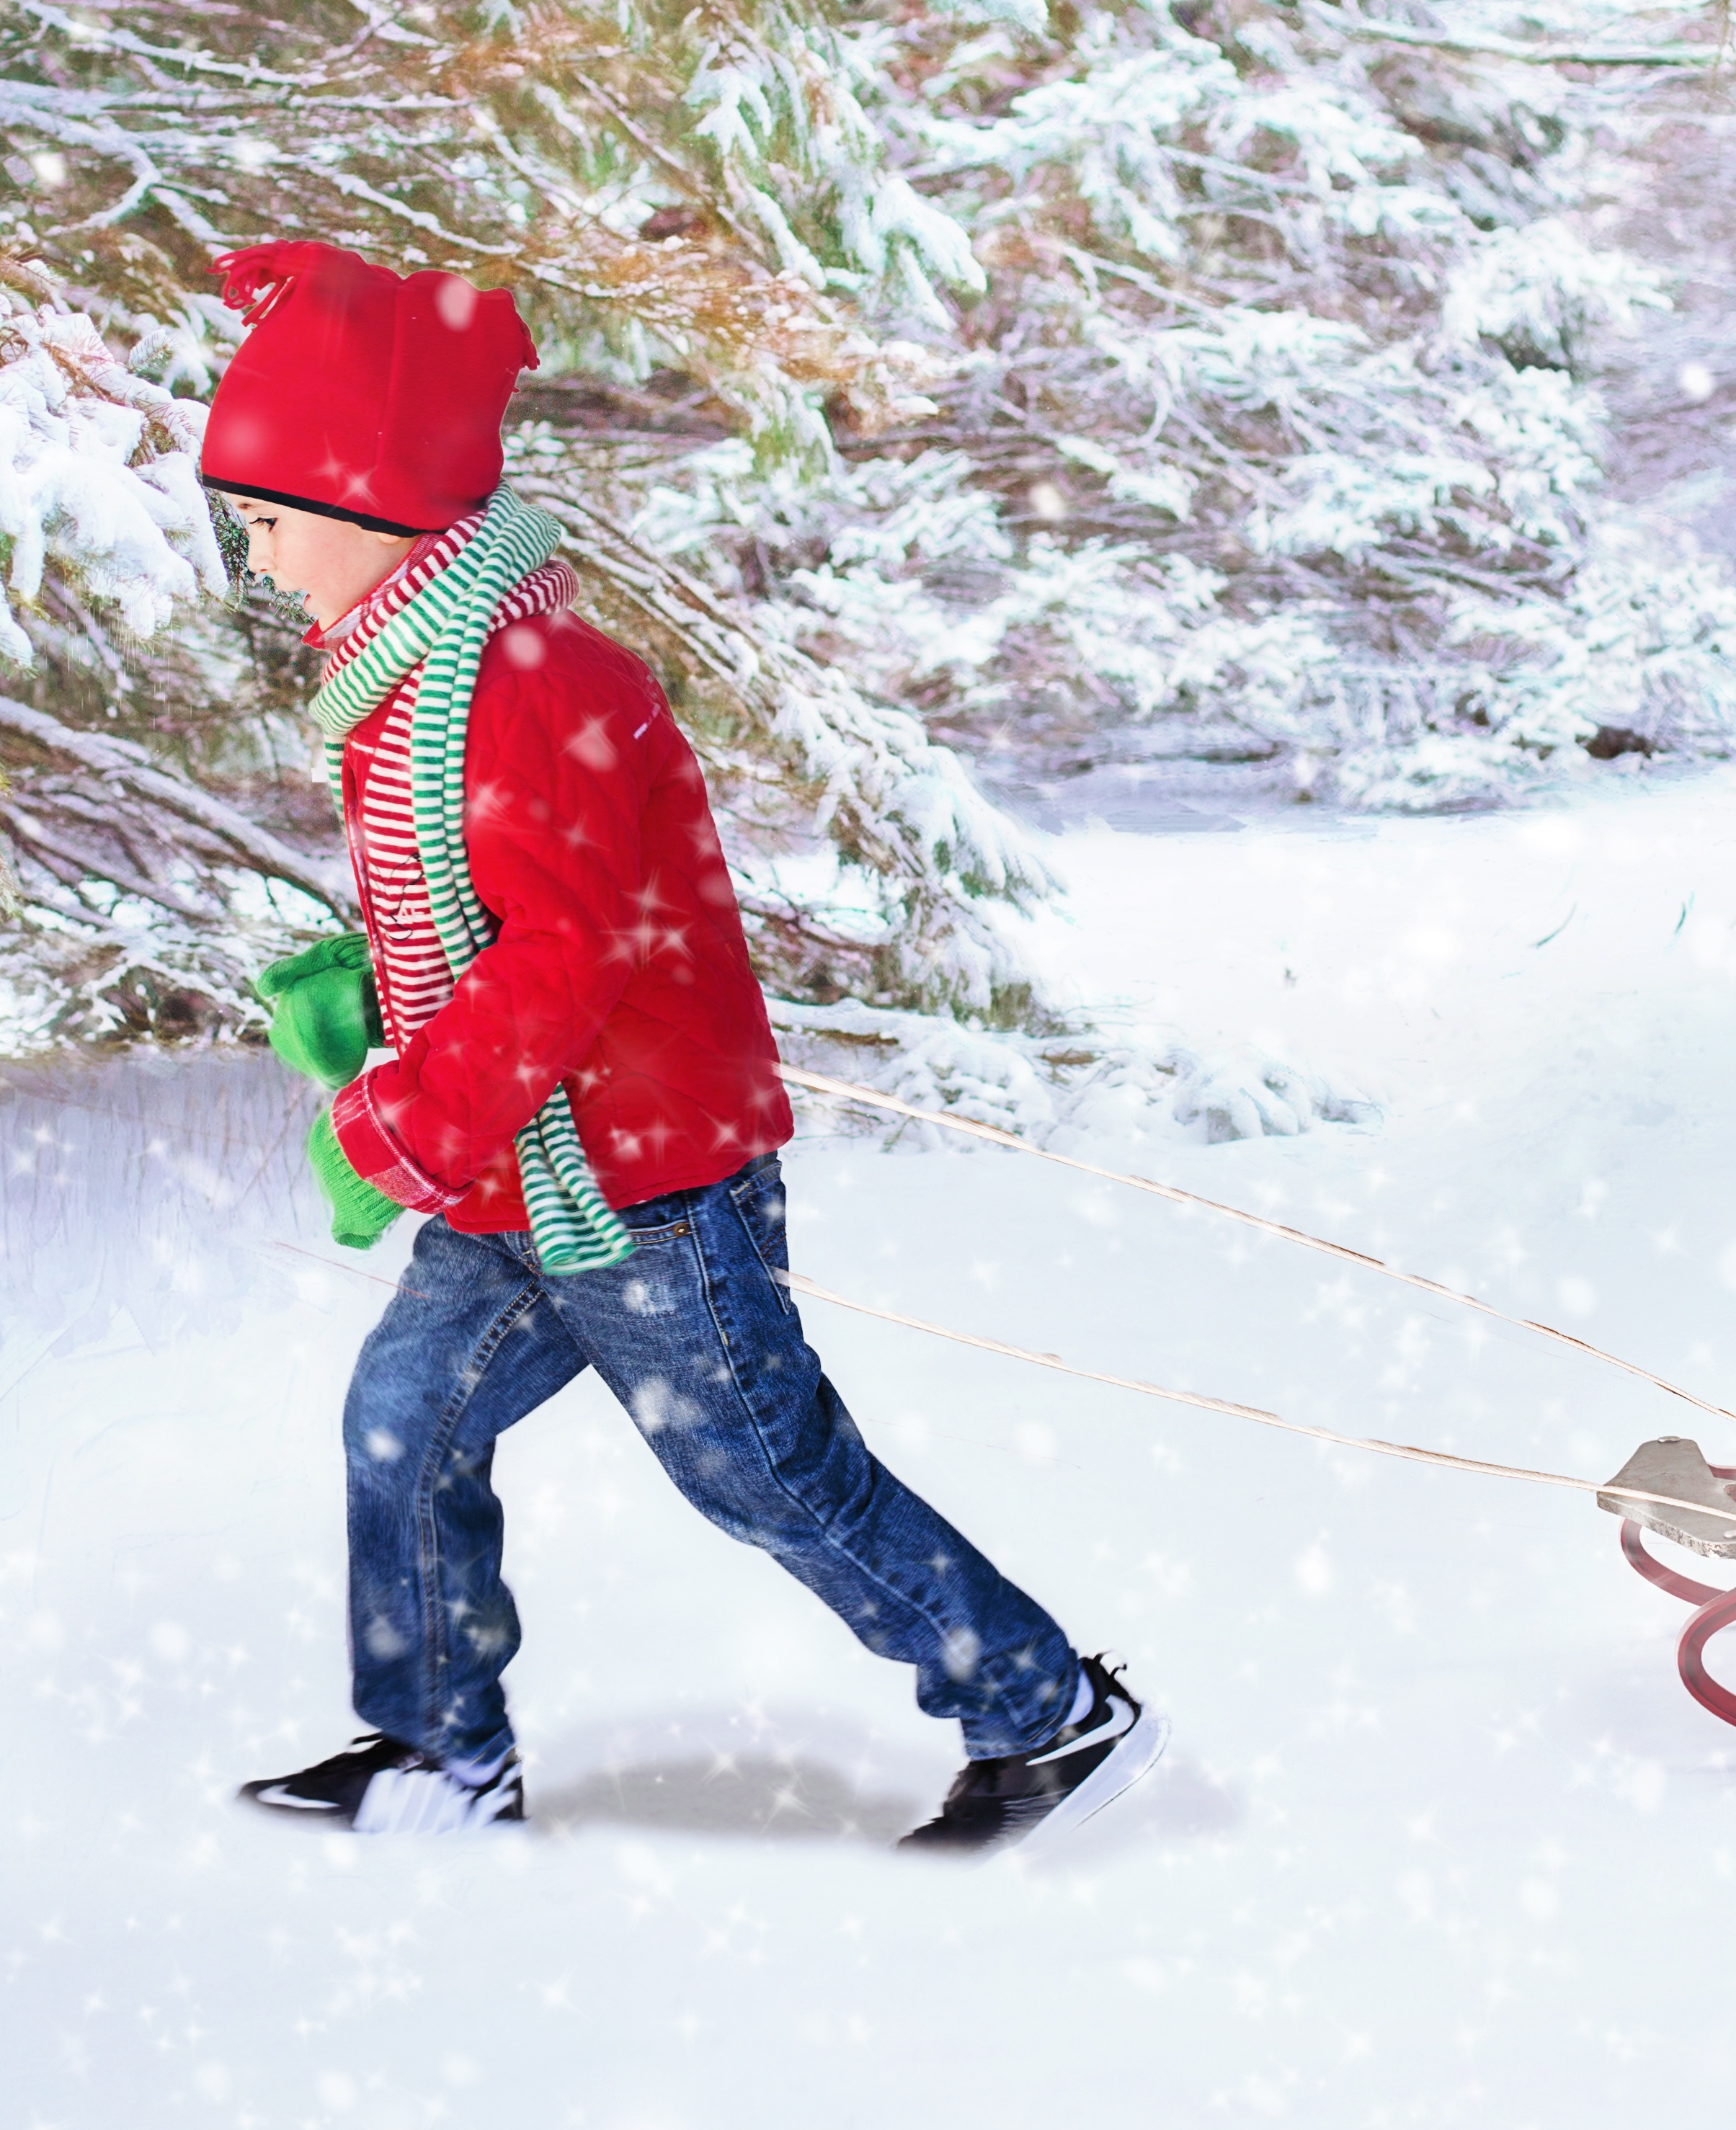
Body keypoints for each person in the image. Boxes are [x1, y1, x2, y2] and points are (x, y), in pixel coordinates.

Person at [200, 239, 1158, 1853]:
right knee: (403, 1417)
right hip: (522, 1173)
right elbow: (488, 928)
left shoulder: (530, 681)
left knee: (768, 1478)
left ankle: (1046, 1712)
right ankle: (440, 1754)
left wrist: (408, 1116)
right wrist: (376, 1006)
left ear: (372, 509)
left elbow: (569, 958)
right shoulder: (410, 680)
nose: (264, 561)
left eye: (275, 525)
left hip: (643, 1176)